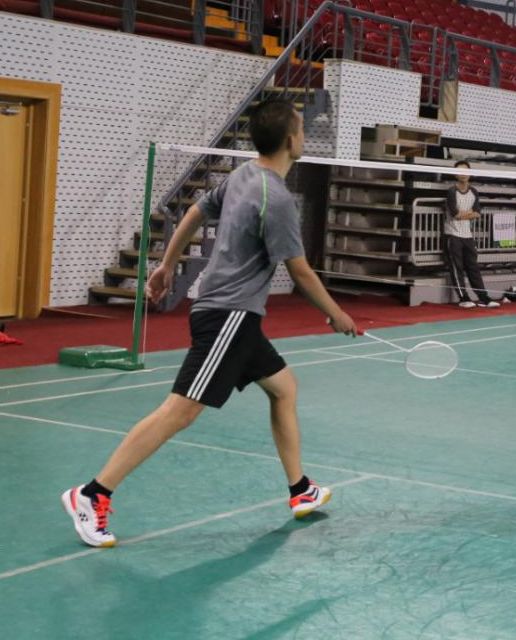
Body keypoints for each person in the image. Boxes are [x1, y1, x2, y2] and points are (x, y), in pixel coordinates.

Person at [61, 98, 358, 548]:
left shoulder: (243, 174)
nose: (303, 134)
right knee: (180, 411)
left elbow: (195, 212)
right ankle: (92, 493)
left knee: (284, 389)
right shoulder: (276, 199)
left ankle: (301, 489)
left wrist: (167, 265)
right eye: (301, 128)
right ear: (291, 139)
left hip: (235, 317)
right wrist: (335, 313)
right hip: (228, 317)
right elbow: (299, 271)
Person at [444, 161, 499, 309]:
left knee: (473, 267)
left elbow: (477, 213)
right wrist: (468, 214)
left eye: (466, 171)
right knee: (457, 268)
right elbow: (455, 214)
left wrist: (466, 214)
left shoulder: (473, 191)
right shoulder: (452, 191)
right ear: (455, 175)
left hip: (467, 235)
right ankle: (464, 298)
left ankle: (484, 298)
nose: (463, 174)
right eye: (460, 171)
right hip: (452, 234)